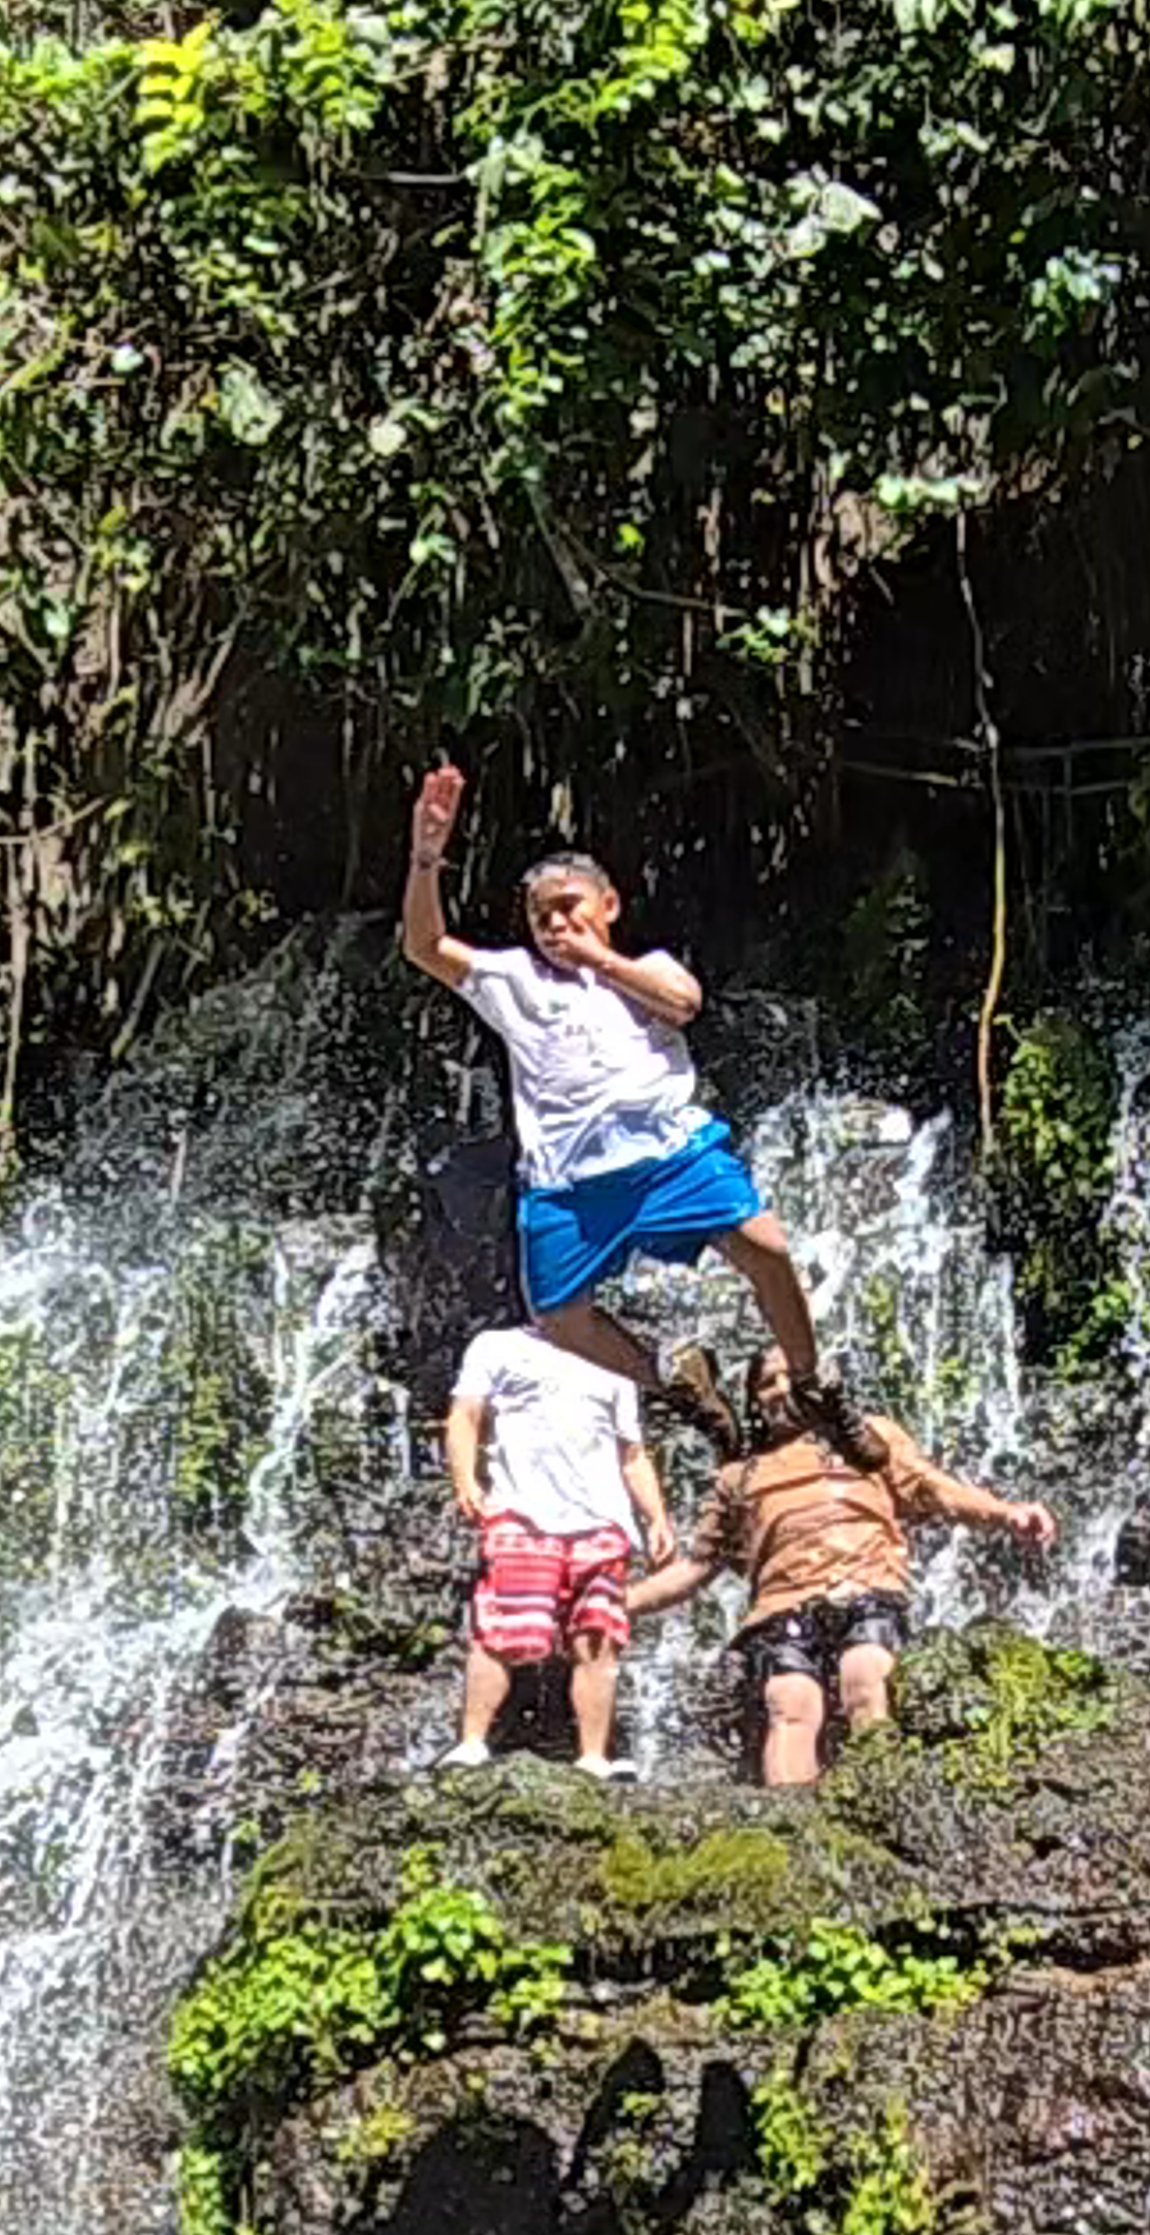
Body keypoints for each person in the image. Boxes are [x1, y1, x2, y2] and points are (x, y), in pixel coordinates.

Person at [398, 761, 821, 1402]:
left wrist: (597, 960)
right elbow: (425, 947)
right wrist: (426, 858)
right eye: (542, 917)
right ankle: (679, 1387)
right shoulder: (514, 980)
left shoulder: (644, 968)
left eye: (569, 908)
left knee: (766, 1246)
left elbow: (683, 1003)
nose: (555, 925)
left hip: (667, 1156)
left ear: (610, 905)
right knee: (559, 1317)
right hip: (569, 1184)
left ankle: (814, 1382)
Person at [649, 1364, 1057, 1791]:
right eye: (766, 1382)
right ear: (753, 1401)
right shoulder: (741, 1473)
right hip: (781, 1608)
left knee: (865, 1675)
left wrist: (1007, 1513)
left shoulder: (868, 1441)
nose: (780, 1389)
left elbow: (937, 1490)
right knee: (789, 1704)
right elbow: (696, 1568)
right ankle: (796, 1832)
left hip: (867, 1590)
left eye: (790, 1376)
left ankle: (880, 1805)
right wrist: (619, 1603)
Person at [440, 1315, 671, 1773]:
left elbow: (633, 1454)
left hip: (603, 1521)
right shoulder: (497, 1345)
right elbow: (464, 1415)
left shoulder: (613, 1359)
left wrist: (658, 1517)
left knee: (599, 1638)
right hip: (523, 1510)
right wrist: (464, 1480)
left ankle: (593, 1756)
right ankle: (471, 1743)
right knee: (500, 1629)